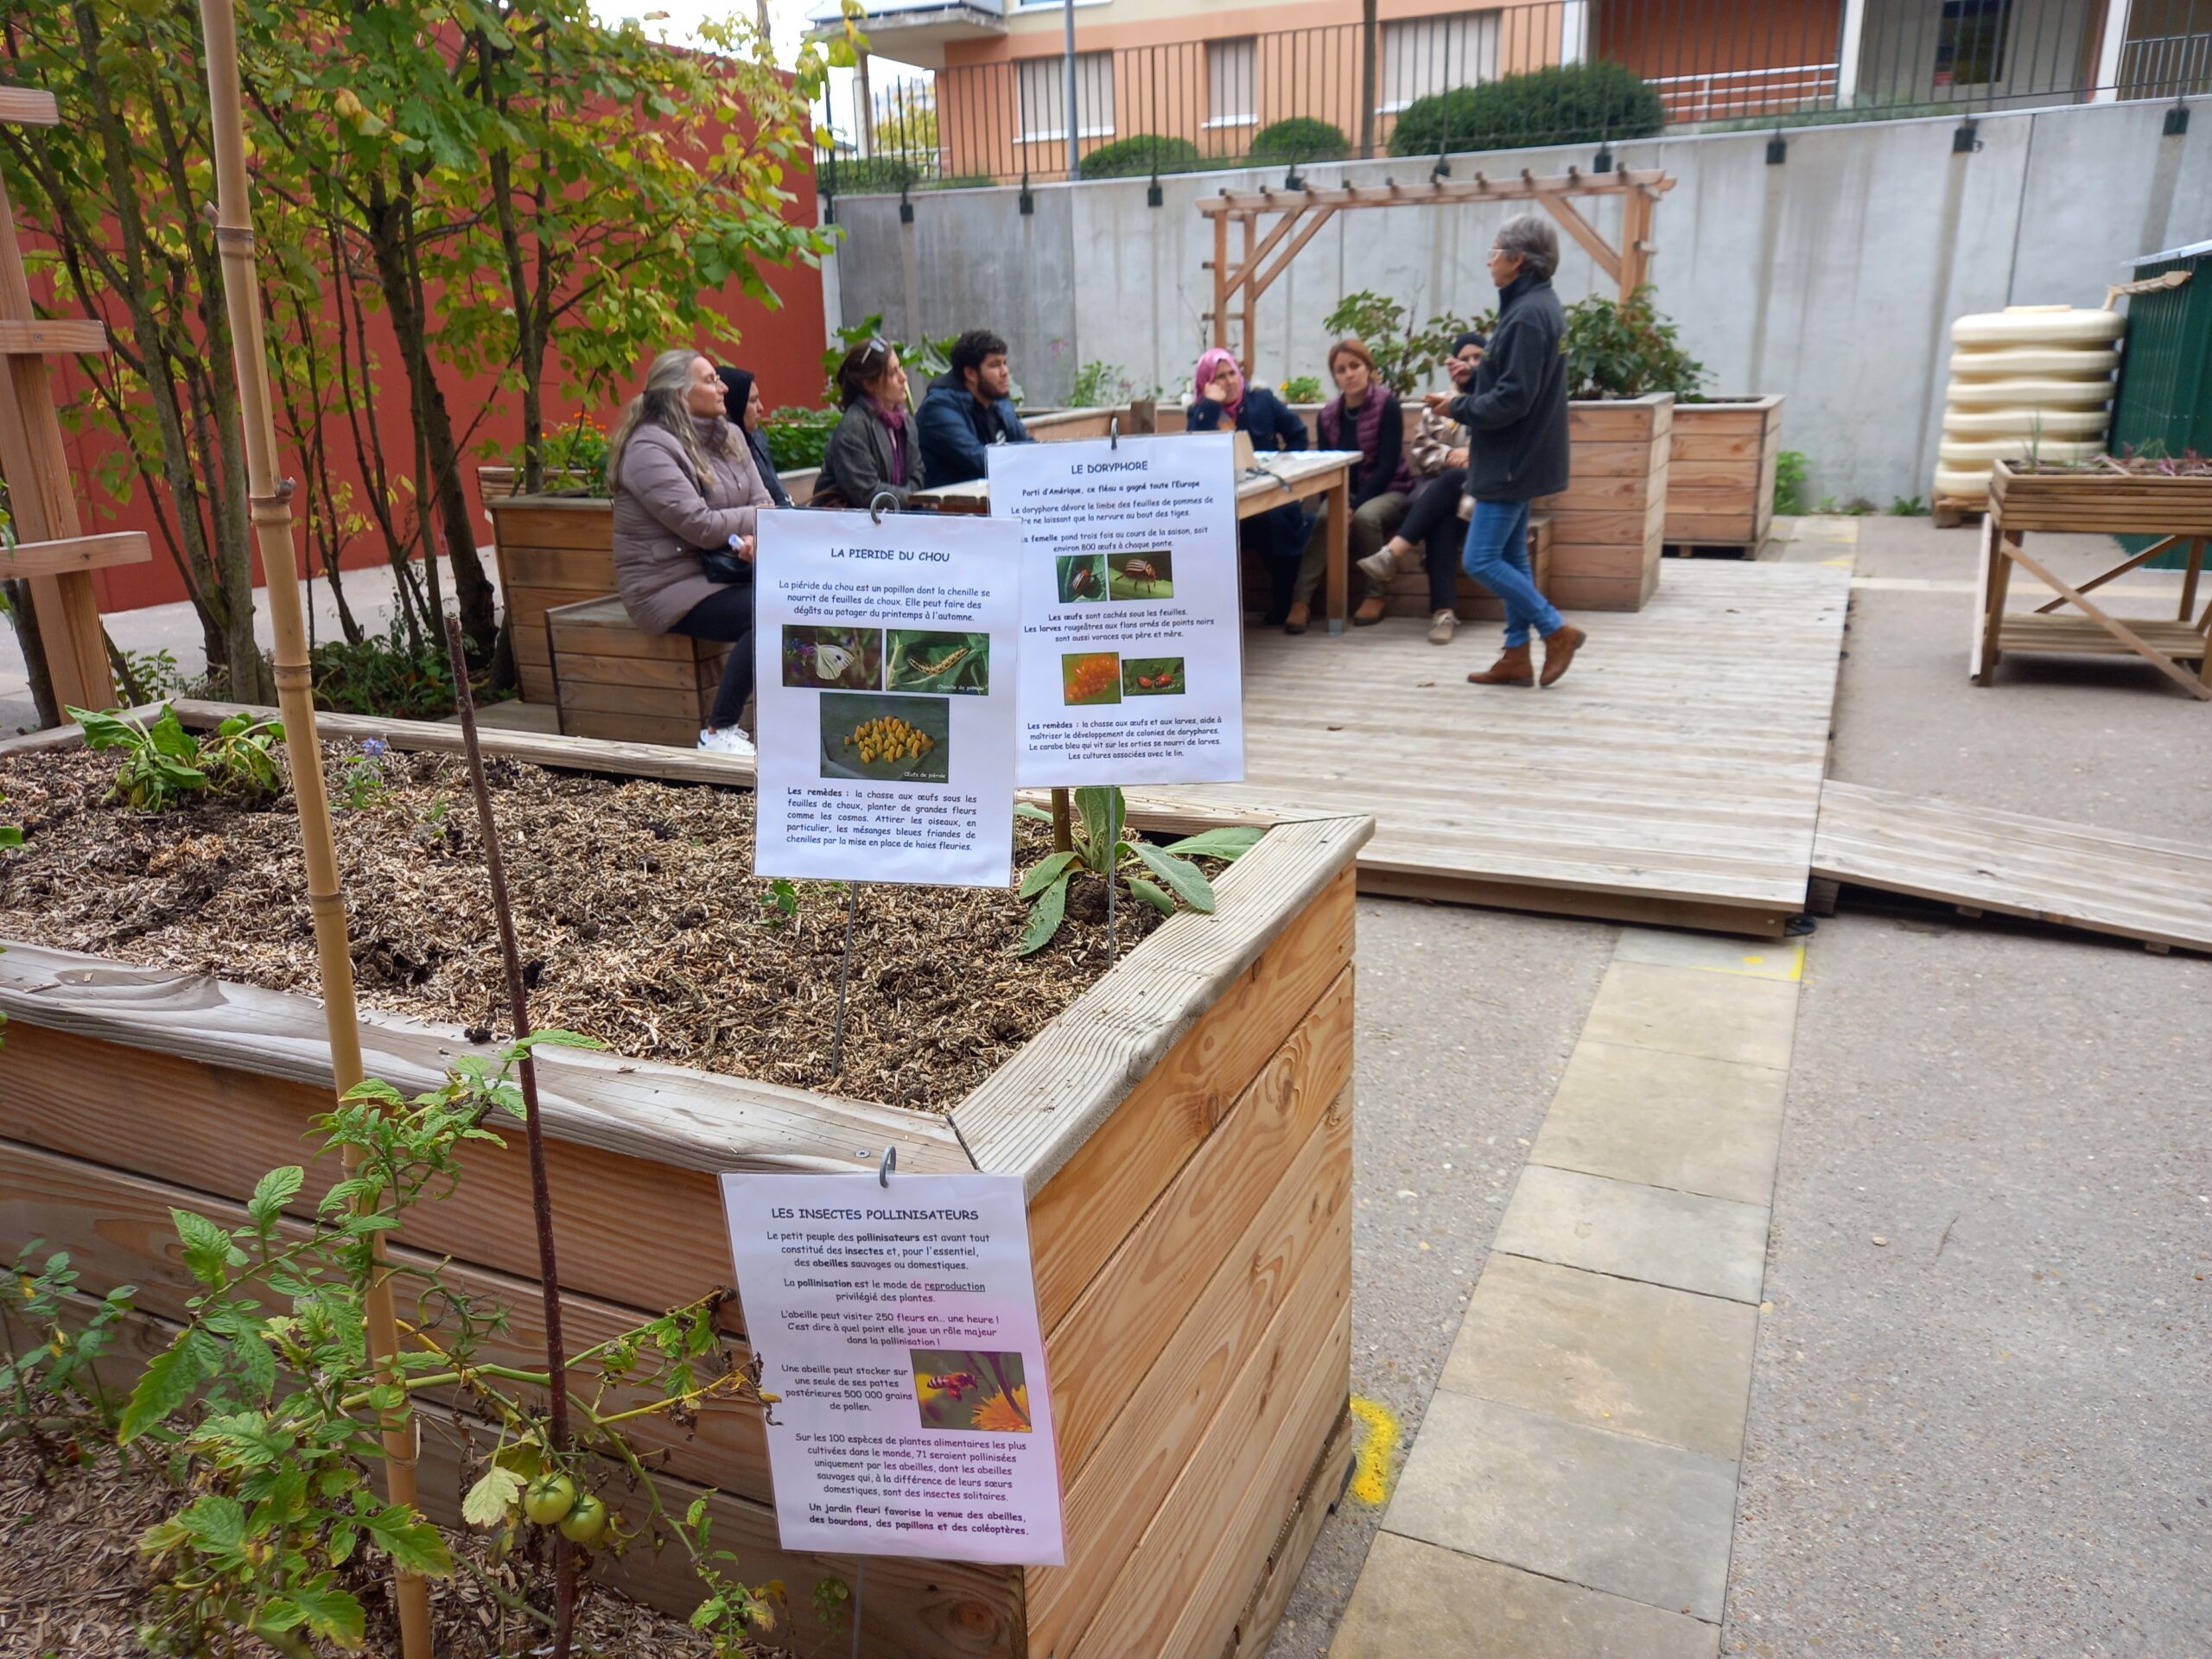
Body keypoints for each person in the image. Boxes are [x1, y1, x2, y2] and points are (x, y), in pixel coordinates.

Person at [1434, 214, 1586, 688]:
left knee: (1481, 558)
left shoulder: (1525, 315)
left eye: (1495, 251)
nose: (1489, 261)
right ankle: (1516, 656)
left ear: (1518, 260)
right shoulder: (1540, 307)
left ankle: (1555, 630)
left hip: (1512, 460)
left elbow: (1514, 399)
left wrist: (1458, 406)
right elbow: (1518, 384)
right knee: (1513, 558)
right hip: (1526, 455)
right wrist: (1473, 378)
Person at [608, 347, 775, 757]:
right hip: (668, 584)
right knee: (770, 611)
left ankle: (787, 721)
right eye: (710, 380)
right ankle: (719, 731)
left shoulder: (731, 435)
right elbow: (699, 526)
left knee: (804, 598)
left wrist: (756, 536)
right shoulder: (649, 449)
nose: (722, 387)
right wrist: (753, 524)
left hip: (724, 569)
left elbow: (767, 506)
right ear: (681, 395)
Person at [1358, 331, 1485, 645]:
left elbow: (1507, 449)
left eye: (1477, 358)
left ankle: (1394, 553)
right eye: (1464, 358)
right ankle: (1443, 614)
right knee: (1443, 506)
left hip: (1482, 497)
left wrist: (1472, 456)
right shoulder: (1437, 404)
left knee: (1453, 483)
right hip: (1444, 499)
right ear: (1452, 365)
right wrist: (1449, 456)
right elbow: (1420, 449)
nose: (1470, 363)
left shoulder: (1496, 401)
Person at [1289, 337, 1414, 632]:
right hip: (1346, 492)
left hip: (1391, 489)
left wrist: (1351, 506)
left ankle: (1375, 595)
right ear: (1335, 376)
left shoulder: (1388, 405)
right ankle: (1301, 601)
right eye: (1341, 369)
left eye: (1355, 366)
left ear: (1368, 368)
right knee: (1323, 517)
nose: (1349, 374)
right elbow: (1325, 467)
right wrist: (1332, 503)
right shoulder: (1328, 415)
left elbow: (1386, 466)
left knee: (1365, 517)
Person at [1186, 346, 1310, 626]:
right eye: (1220, 377)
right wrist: (1210, 405)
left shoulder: (1261, 400)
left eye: (1232, 373)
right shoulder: (1201, 412)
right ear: (1207, 382)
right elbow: (1193, 448)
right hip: (1224, 502)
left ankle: (1285, 602)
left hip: (1271, 494)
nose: (1229, 381)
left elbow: (1298, 435)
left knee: (1276, 520)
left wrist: (1283, 466)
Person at [815, 337, 924, 509]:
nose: (904, 378)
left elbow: (918, 474)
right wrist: (913, 498)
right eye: (893, 373)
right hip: (852, 528)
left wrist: (913, 498)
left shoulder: (906, 422)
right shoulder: (853, 427)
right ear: (869, 383)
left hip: (896, 519)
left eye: (900, 368)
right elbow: (867, 494)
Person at [917, 328, 1032, 486]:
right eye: (995, 365)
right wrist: (1029, 463)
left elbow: (1027, 446)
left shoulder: (998, 402)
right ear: (970, 373)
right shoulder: (939, 409)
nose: (1005, 372)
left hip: (991, 499)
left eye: (1004, 363)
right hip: (952, 506)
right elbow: (980, 461)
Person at [716, 365, 794, 509]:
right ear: (734, 404)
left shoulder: (756, 438)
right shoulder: (716, 447)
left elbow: (775, 492)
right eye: (752, 401)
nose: (761, 408)